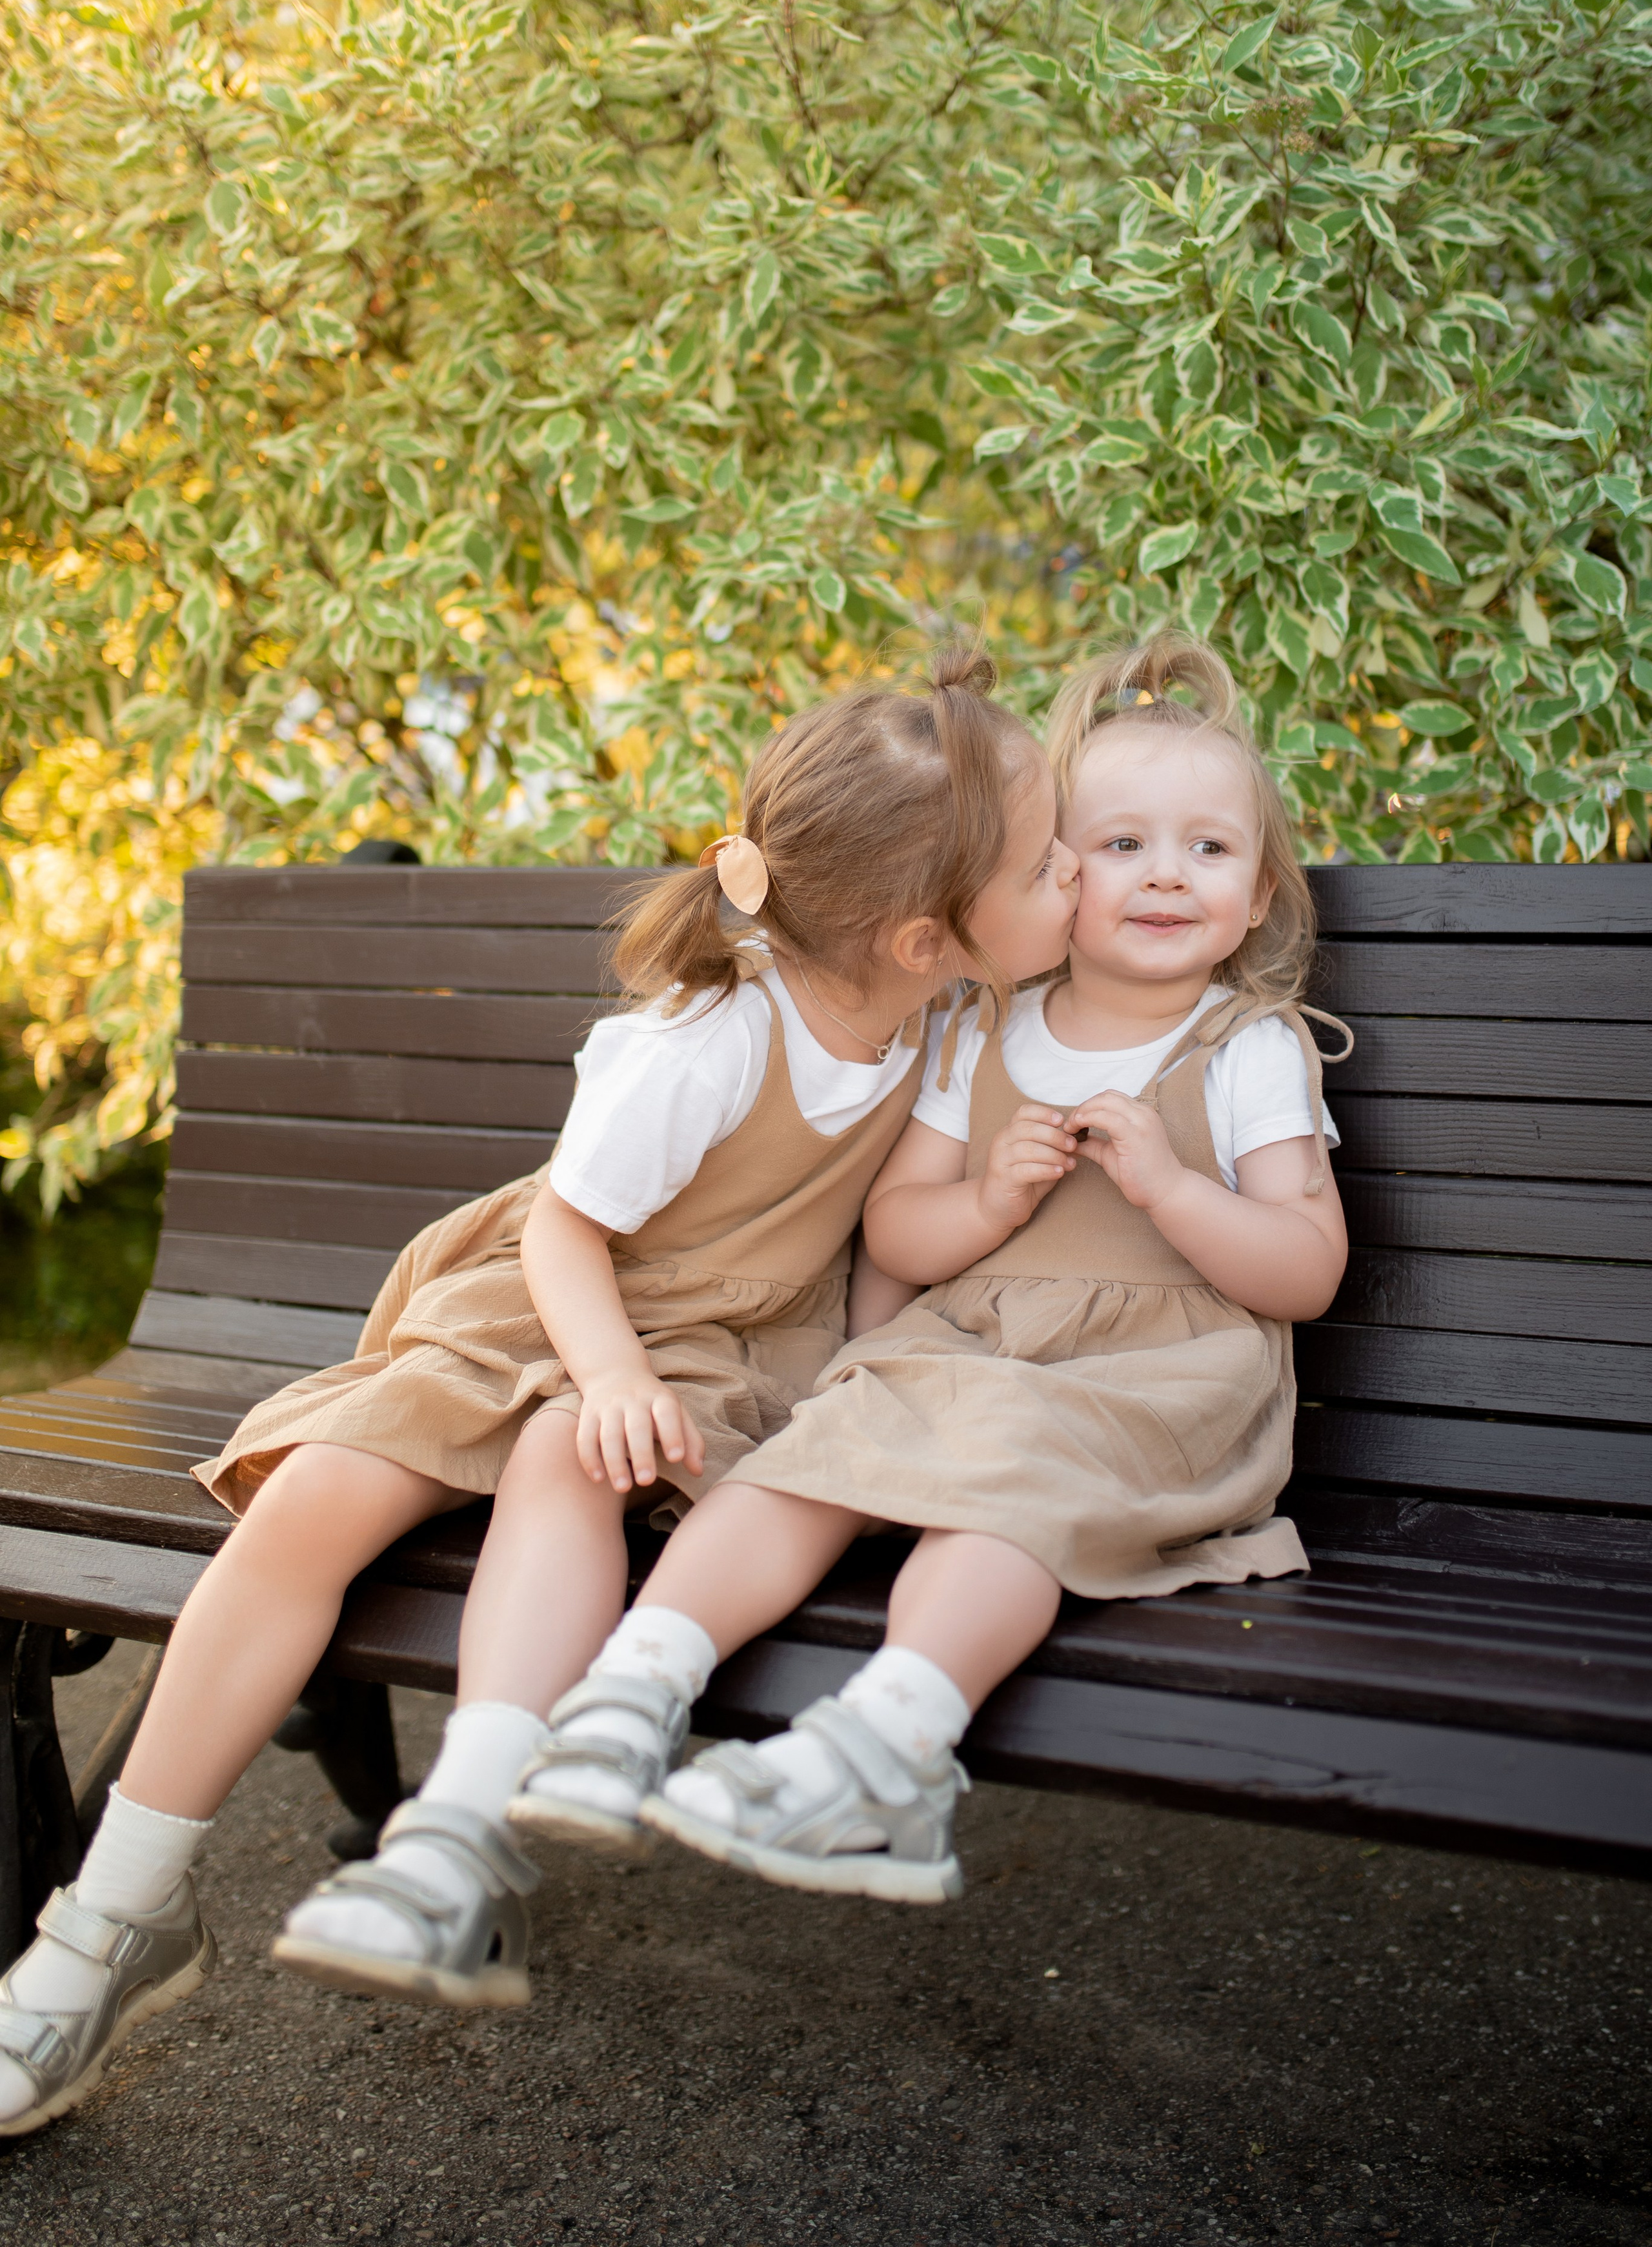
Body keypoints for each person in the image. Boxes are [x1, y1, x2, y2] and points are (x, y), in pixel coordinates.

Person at [0, 650, 1080, 2134]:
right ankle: (110, 1922)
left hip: (715, 1344)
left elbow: (888, 1237)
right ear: (916, 933)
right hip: (560, 1304)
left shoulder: (942, 1022)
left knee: (573, 1456)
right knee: (319, 1499)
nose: (1075, 872)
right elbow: (568, 1234)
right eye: (1048, 858)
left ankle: (456, 1833)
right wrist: (613, 1365)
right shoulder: (708, 1037)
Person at [510, 634, 1351, 1905]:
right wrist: (990, 1198)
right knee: (819, 1447)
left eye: (1208, 848)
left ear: (1258, 887)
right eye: (1118, 845)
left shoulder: (1245, 1047)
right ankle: (634, 1687)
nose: (1164, 875)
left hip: (1157, 1377)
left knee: (997, 1492)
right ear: (1054, 872)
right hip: (973, 1351)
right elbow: (897, 1230)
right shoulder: (982, 1024)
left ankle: (892, 1742)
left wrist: (1174, 1190)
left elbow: (1303, 1270)